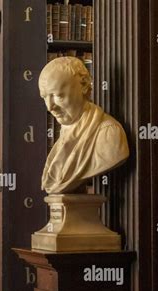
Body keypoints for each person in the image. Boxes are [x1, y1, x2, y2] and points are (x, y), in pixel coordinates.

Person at [39, 57, 129, 195]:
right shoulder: (64, 133)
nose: (50, 107)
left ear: (84, 85)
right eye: (45, 97)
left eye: (58, 95)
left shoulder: (109, 134)